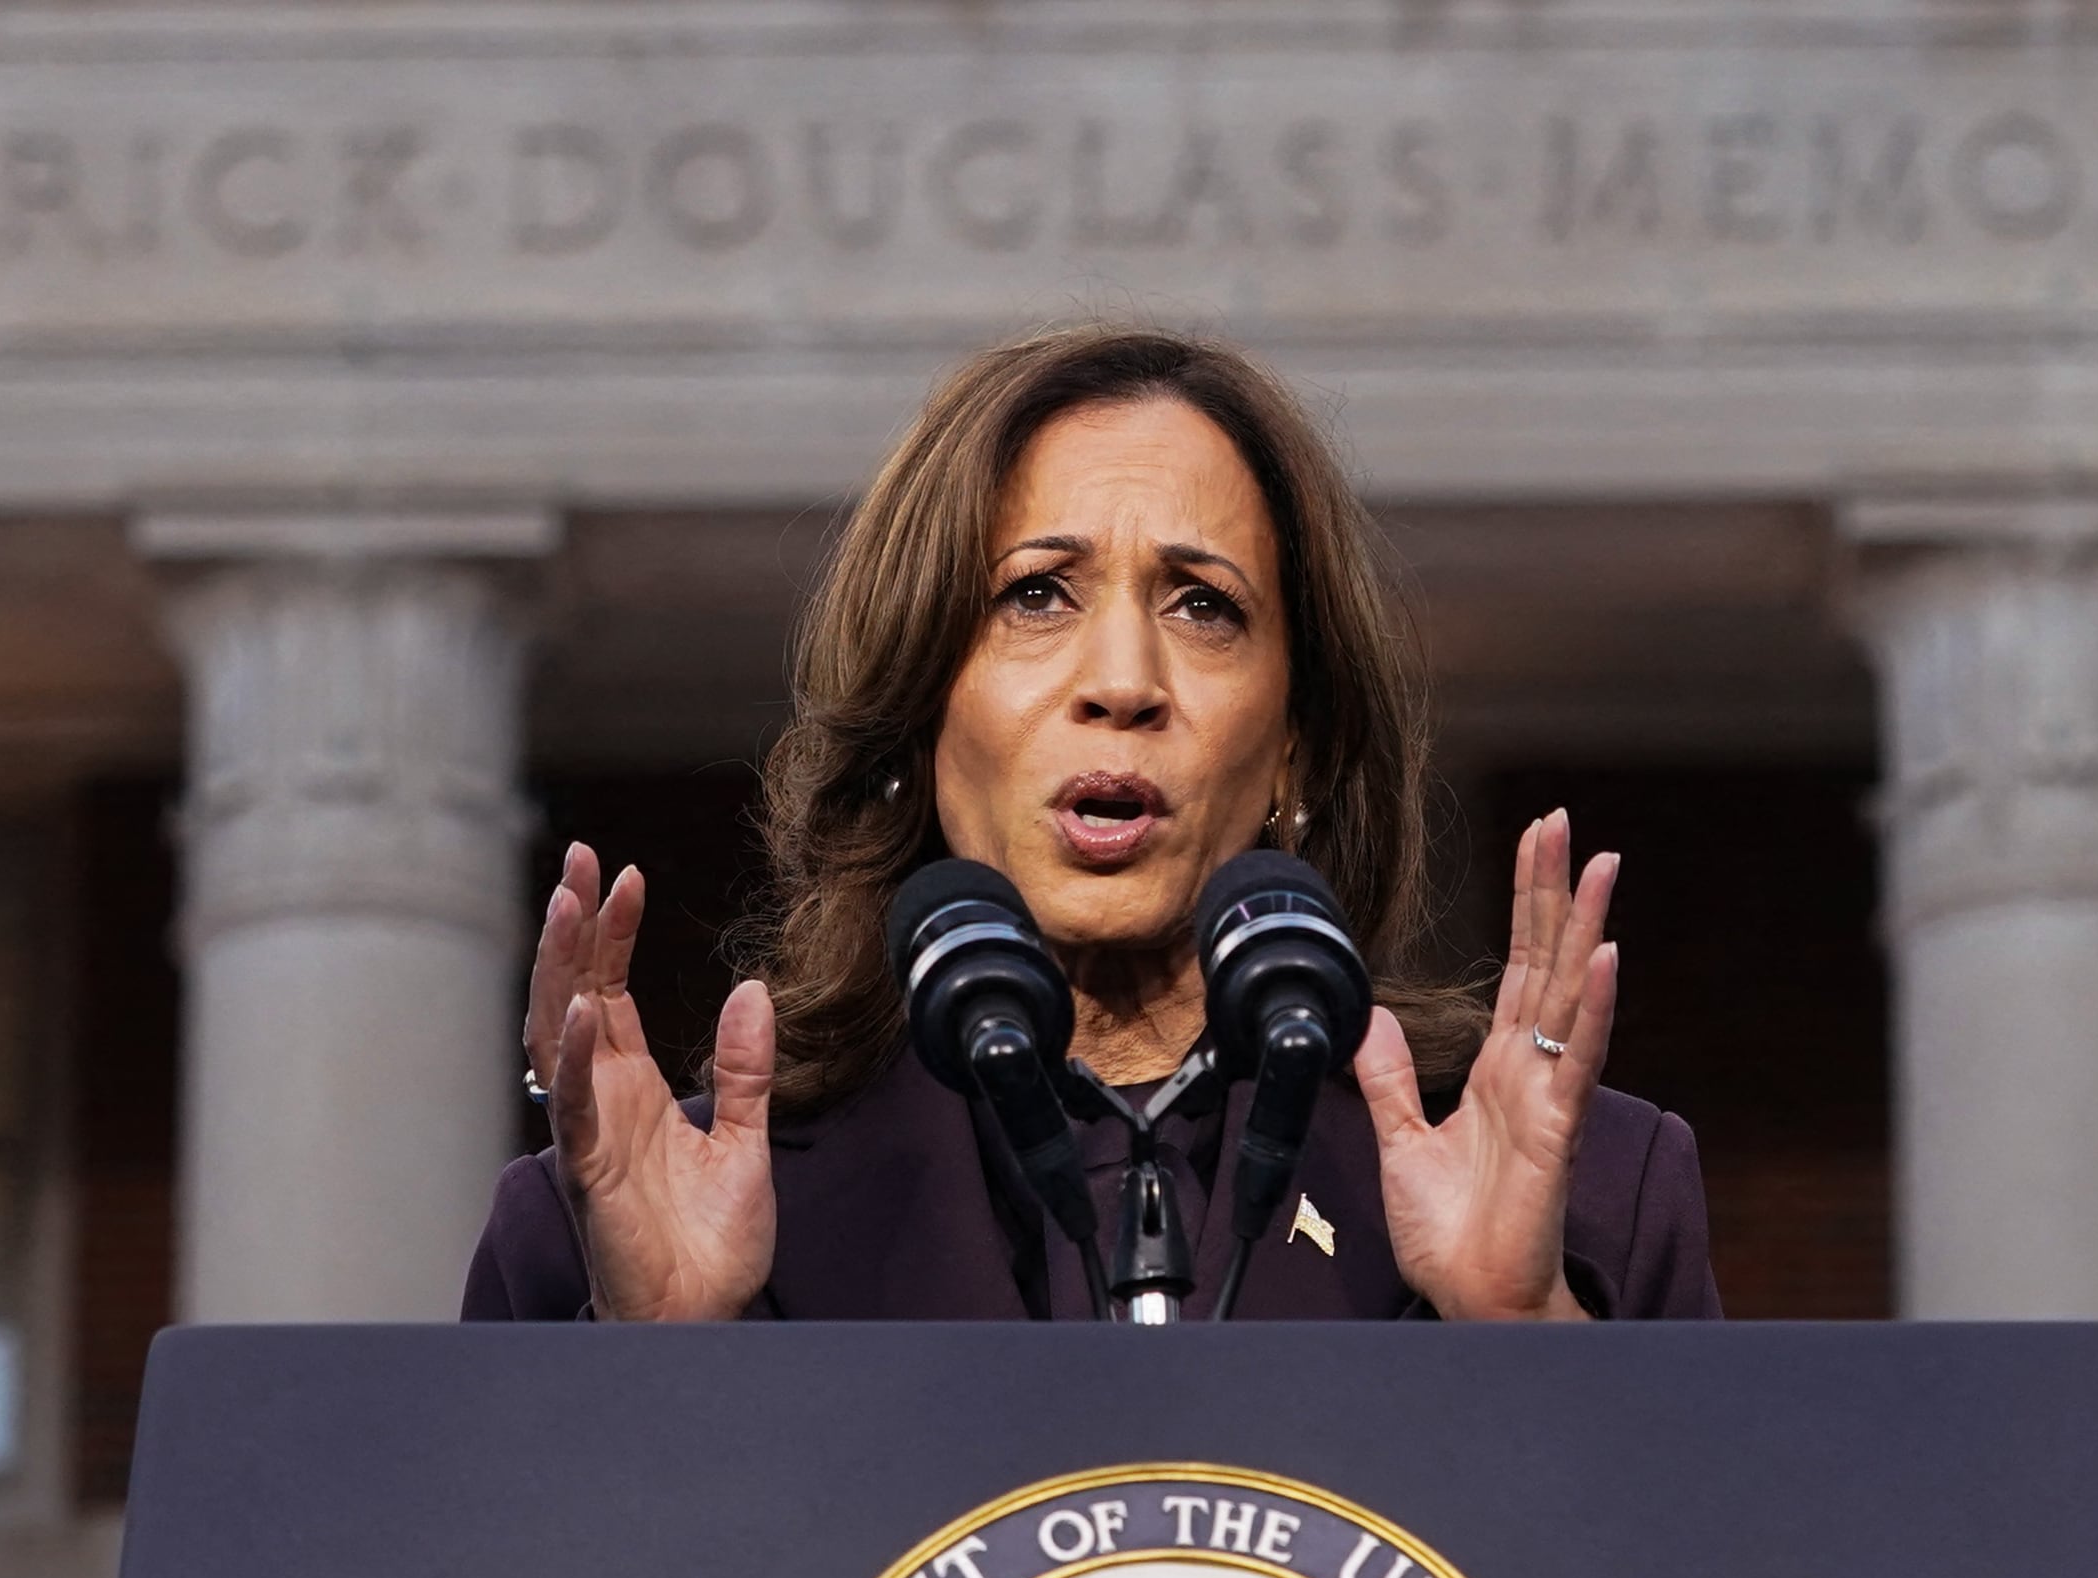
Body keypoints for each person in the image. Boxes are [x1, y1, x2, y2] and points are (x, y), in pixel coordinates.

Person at [463, 326, 1718, 1322]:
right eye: (1036, 593)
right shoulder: (625, 1222)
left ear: (1297, 742)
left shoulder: (1585, 1195)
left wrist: (1526, 1335)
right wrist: (657, 1365)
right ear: (919, 711)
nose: (1122, 679)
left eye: (1203, 606)